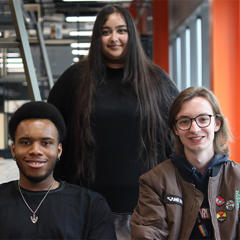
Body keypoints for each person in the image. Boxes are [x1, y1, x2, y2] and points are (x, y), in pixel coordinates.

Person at [48, 4, 178, 239]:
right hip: (86, 209)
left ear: (131, 34)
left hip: (147, 211)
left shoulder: (156, 80)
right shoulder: (74, 80)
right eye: (106, 32)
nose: (114, 38)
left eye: (121, 30)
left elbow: (177, 137)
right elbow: (50, 130)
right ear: (97, 38)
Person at [130, 86, 240, 239]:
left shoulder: (237, 179)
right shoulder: (154, 182)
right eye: (184, 121)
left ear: (217, 124)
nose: (194, 129)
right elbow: (147, 234)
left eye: (203, 119)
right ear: (175, 128)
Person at [0, 101, 116, 239]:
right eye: (25, 142)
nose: (35, 150)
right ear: (13, 150)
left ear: (59, 150)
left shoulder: (91, 206)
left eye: (46, 143)